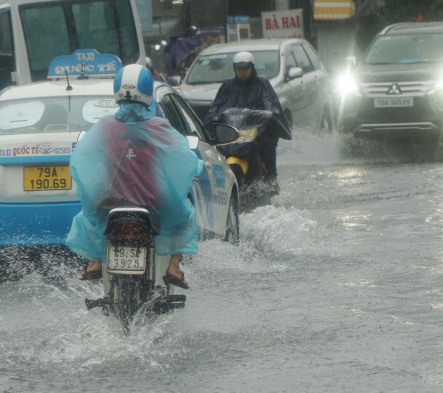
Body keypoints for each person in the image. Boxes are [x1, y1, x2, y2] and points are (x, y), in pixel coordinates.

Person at [65, 64, 203, 289]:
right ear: (148, 94)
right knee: (184, 215)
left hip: (110, 200)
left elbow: (83, 157)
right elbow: (183, 158)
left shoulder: (105, 127)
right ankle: (174, 267)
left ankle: (94, 262)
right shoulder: (159, 127)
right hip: (154, 201)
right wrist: (196, 166)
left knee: (91, 216)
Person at [203, 51, 291, 194]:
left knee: (268, 146)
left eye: (245, 68)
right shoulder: (227, 86)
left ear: (252, 68)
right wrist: (214, 117)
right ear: (234, 69)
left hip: (257, 132)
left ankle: (271, 180)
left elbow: (270, 105)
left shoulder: (262, 84)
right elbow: (216, 107)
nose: (242, 72)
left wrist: (267, 114)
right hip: (234, 132)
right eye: (239, 69)